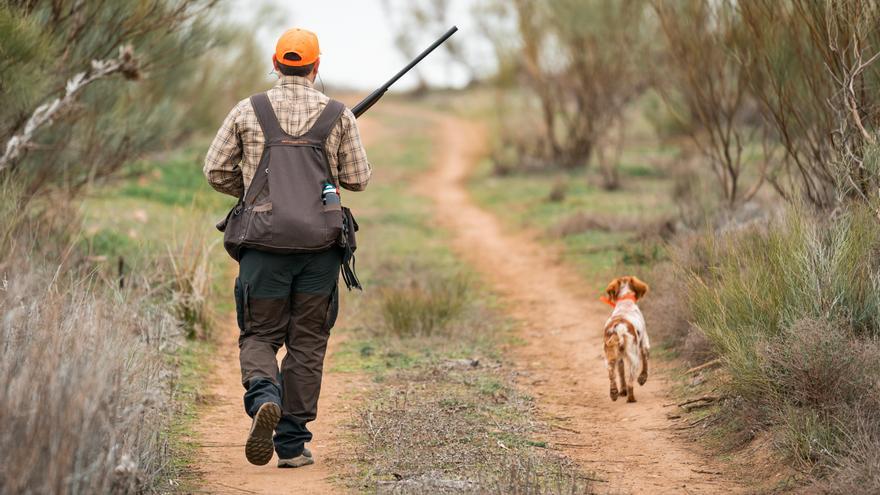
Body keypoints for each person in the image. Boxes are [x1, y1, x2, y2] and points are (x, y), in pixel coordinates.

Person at [203, 27, 371, 469]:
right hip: (320, 249)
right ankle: (292, 446)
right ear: (316, 67)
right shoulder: (338, 115)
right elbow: (358, 179)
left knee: (260, 334)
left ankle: (264, 396)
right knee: (308, 341)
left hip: (262, 246)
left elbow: (215, 170)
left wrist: (255, 195)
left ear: (276, 65)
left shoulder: (248, 109)